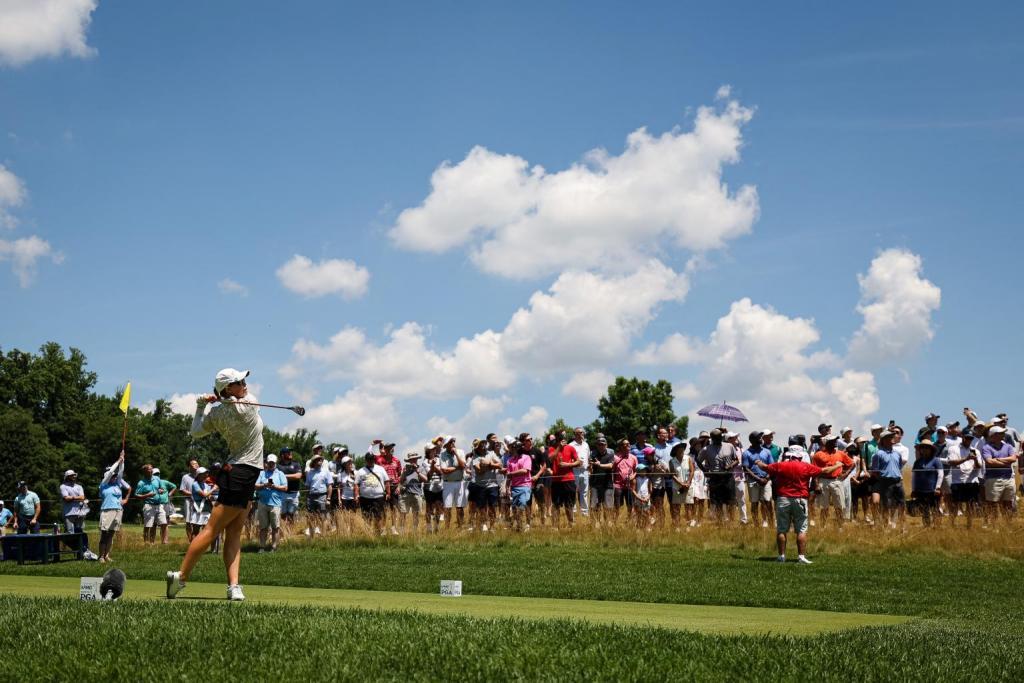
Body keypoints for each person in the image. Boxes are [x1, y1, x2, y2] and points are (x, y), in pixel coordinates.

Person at [167, 368, 265, 602]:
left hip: (246, 472)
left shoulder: (219, 412)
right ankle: (181, 577)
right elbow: (196, 432)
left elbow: (196, 430)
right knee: (212, 530)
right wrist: (218, 401)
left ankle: (233, 586)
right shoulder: (247, 403)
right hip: (240, 472)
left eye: (243, 380)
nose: (245, 384)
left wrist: (202, 406)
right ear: (228, 388)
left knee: (234, 533)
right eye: (239, 382)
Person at [755, 448, 841, 563]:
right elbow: (825, 471)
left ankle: (781, 556)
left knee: (781, 530)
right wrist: (837, 465)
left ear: (790, 457)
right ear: (800, 457)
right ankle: (801, 557)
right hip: (800, 500)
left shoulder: (781, 465)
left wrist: (758, 462)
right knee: (801, 530)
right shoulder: (806, 466)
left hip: (783, 499)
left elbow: (765, 467)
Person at [812, 435, 853, 529]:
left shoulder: (840, 453)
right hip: (823, 481)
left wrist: (846, 474)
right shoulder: (818, 455)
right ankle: (822, 527)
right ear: (826, 442)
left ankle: (840, 527)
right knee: (824, 507)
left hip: (836, 480)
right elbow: (814, 471)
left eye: (835, 440)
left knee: (839, 506)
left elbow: (852, 463)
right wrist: (816, 484)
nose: (835, 442)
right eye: (833, 440)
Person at [97, 453, 132, 563]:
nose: (114, 477)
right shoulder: (103, 485)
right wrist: (118, 461)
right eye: (112, 476)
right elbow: (111, 471)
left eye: (115, 476)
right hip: (107, 511)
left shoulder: (117, 484)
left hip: (118, 510)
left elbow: (120, 471)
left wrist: (122, 461)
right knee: (104, 534)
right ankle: (101, 556)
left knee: (111, 534)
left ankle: (107, 555)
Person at [697, 429, 737, 522]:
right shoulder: (706, 449)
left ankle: (731, 521)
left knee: (731, 501)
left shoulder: (729, 446)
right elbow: (698, 461)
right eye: (716, 438)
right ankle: (720, 521)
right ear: (712, 439)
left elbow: (736, 460)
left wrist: (730, 465)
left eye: (719, 438)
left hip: (728, 477)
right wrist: (705, 471)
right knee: (718, 502)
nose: (718, 440)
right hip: (715, 478)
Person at [945, 430, 983, 527]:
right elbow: (951, 462)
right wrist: (966, 458)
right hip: (958, 481)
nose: (968, 440)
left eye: (970, 438)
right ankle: (952, 524)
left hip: (972, 481)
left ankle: (969, 525)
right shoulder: (953, 449)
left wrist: (975, 459)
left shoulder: (975, 451)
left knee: (971, 504)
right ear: (962, 437)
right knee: (955, 504)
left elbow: (979, 466)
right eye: (967, 437)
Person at [981, 425, 1017, 523]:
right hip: (993, 479)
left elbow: (1013, 458)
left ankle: (1007, 524)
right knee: (992, 503)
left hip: (1008, 478)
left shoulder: (1008, 446)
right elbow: (989, 462)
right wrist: (1006, 462)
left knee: (1008, 503)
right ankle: (992, 524)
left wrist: (998, 459)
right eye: (1000, 433)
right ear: (993, 435)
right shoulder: (986, 447)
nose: (1003, 434)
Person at [870, 430, 906, 528]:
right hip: (885, 482)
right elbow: (875, 471)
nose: (893, 438)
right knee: (886, 505)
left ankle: (903, 526)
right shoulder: (878, 454)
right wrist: (883, 480)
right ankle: (886, 526)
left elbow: (899, 468)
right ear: (884, 440)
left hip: (898, 482)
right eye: (890, 437)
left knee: (902, 504)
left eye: (892, 436)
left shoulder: (897, 454)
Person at [255, 454, 287, 552]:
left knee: (275, 527)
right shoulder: (262, 473)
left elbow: (285, 488)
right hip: (262, 503)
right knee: (263, 527)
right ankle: (262, 547)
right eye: (269, 463)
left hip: (275, 504)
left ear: (275, 463)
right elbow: (256, 486)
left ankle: (273, 547)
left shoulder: (280, 474)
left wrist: (274, 486)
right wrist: (264, 485)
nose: (271, 464)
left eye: (273, 463)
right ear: (267, 463)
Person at [742, 432, 773, 528]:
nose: (761, 439)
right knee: (754, 503)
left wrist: (766, 478)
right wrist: (758, 479)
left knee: (767, 502)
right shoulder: (746, 453)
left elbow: (772, 467)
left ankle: (771, 524)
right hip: (753, 481)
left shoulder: (767, 451)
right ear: (753, 440)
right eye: (759, 437)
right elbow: (746, 468)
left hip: (766, 481)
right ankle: (756, 525)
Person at [549, 432, 580, 528]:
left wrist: (568, 464)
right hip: (556, 481)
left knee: (569, 504)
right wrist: (559, 447)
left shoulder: (570, 448)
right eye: (562, 436)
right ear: (557, 437)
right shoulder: (552, 448)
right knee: (556, 504)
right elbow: (550, 459)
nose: (564, 437)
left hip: (569, 479)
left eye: (565, 435)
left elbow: (579, 462)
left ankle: (571, 524)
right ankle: (555, 526)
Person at [909, 440, 943, 526]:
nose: (924, 449)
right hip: (920, 490)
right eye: (922, 447)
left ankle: (936, 527)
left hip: (933, 490)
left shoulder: (936, 460)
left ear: (931, 449)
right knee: (924, 510)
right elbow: (914, 476)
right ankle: (926, 527)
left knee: (935, 509)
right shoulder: (917, 462)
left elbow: (940, 474)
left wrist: (938, 487)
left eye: (927, 447)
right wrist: (913, 489)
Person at [471, 440, 502, 532]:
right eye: (481, 445)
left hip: (493, 485)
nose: (483, 446)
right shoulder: (475, 457)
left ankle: (492, 527)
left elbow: (500, 465)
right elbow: (479, 471)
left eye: (484, 444)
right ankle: (484, 524)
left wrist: (489, 463)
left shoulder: (491, 453)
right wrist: (490, 465)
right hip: (480, 485)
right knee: (482, 507)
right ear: (477, 448)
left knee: (492, 506)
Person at [136, 464, 171, 545]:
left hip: (159, 505)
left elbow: (162, 488)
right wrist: (147, 495)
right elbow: (137, 495)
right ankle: (146, 542)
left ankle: (164, 542)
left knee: (164, 523)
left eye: (152, 469)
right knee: (148, 525)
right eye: (149, 469)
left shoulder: (157, 479)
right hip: (148, 505)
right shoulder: (141, 483)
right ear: (145, 471)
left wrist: (161, 490)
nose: (151, 470)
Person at [355, 451, 389, 535]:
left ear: (374, 459)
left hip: (378, 497)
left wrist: (388, 493)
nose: (370, 461)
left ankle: (378, 532)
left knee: (379, 516)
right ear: (366, 460)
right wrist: (356, 495)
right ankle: (368, 533)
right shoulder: (360, 471)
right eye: (369, 459)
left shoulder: (380, 469)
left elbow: (387, 481)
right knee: (366, 517)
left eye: (372, 459)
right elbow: (356, 484)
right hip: (365, 498)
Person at [504, 439, 532, 531]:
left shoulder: (526, 457)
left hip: (525, 485)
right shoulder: (510, 460)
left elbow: (525, 470)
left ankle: (524, 524)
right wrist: (507, 488)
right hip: (514, 487)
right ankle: (519, 526)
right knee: (514, 507)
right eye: (517, 447)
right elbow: (508, 476)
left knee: (522, 504)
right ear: (514, 448)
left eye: (520, 447)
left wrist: (511, 474)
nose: (519, 449)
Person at [304, 452, 333, 537]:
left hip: (322, 496)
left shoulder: (326, 472)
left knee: (323, 517)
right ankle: (312, 536)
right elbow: (307, 487)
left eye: (320, 459)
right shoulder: (310, 473)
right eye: (317, 460)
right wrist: (307, 499)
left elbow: (329, 486)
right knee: (311, 517)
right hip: (311, 497)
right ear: (314, 462)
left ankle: (323, 536)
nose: (320, 461)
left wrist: (328, 498)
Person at [589, 436, 615, 523]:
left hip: (608, 484)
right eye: (599, 444)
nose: (601, 446)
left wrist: (599, 465)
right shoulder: (593, 454)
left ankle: (608, 523)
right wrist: (590, 466)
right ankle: (595, 523)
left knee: (608, 505)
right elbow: (590, 467)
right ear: (596, 445)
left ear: (606, 445)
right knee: (594, 505)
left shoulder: (610, 454)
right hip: (595, 484)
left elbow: (610, 465)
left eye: (602, 444)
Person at [668, 441, 695, 528]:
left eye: (683, 447)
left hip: (688, 487)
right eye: (680, 447)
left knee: (688, 507)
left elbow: (692, 471)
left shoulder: (688, 458)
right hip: (677, 487)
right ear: (675, 450)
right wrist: (681, 483)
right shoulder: (671, 461)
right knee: (676, 507)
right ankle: (677, 526)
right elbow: (672, 475)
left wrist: (688, 482)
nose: (682, 449)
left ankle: (689, 526)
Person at [400, 452, 427, 532]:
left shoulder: (421, 468)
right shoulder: (406, 468)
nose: (413, 461)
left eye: (414, 459)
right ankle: (402, 531)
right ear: (409, 461)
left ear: (417, 459)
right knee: (403, 513)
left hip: (417, 494)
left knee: (416, 514)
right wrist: (404, 473)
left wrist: (417, 471)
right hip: (406, 494)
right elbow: (401, 481)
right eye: (411, 459)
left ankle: (415, 531)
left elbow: (425, 480)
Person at [276, 447, 302, 530]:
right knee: (283, 514)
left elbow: (298, 476)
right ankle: (284, 531)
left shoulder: (296, 464)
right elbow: (276, 477)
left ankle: (290, 531)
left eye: (290, 452)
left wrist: (283, 476)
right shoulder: (278, 466)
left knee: (291, 514)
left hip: (294, 493)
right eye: (288, 452)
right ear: (282, 455)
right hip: (282, 493)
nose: (290, 453)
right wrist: (291, 477)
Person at [423, 443, 444, 532]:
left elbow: (441, 472)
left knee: (439, 508)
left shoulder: (440, 459)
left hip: (439, 487)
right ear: (428, 451)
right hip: (429, 488)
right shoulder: (424, 462)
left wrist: (433, 466)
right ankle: (429, 528)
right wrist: (433, 466)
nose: (434, 450)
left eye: (434, 449)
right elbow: (430, 474)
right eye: (432, 449)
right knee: (429, 508)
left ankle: (436, 527)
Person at [570, 427, 591, 517]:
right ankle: (573, 511)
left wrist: (589, 469)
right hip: (575, 470)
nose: (581, 434)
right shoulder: (571, 445)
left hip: (585, 471)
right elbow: (569, 459)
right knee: (573, 491)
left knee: (584, 492)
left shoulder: (586, 444)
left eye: (582, 432)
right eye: (579, 433)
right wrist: (575, 463)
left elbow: (588, 457)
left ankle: (584, 512)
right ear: (575, 434)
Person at [59, 470, 88, 534]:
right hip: (68, 513)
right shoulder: (63, 486)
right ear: (67, 477)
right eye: (71, 475)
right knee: (70, 532)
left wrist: (72, 498)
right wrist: (77, 498)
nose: (74, 476)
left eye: (74, 475)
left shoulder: (79, 487)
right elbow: (66, 498)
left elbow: (82, 497)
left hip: (80, 513)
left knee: (80, 532)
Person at [178, 460, 200, 541]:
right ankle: (191, 540)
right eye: (193, 464)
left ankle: (196, 540)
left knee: (198, 522)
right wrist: (192, 494)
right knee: (188, 522)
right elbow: (182, 490)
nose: (196, 465)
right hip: (189, 501)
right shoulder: (185, 477)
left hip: (200, 501)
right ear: (189, 467)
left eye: (197, 463)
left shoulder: (202, 476)